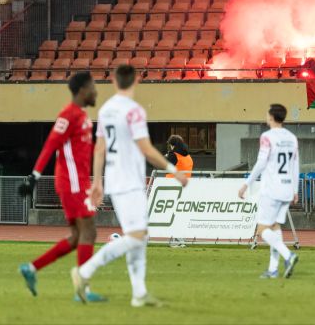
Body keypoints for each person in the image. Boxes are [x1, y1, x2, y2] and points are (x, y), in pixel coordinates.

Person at [72, 65, 189, 306]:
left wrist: (97, 181)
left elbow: (100, 149)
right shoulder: (134, 111)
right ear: (136, 80)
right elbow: (146, 149)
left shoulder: (105, 110)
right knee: (137, 236)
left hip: (115, 181)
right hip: (129, 182)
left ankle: (139, 293)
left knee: (140, 237)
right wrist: (174, 171)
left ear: (114, 80)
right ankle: (84, 272)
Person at [17, 72, 106, 302]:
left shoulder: (84, 117)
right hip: (71, 183)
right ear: (83, 91)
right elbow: (50, 145)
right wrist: (34, 176)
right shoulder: (68, 115)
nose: (96, 91)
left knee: (78, 236)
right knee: (89, 231)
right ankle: (83, 290)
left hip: (80, 183)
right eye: (93, 87)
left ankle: (31, 268)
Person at [238, 104, 300, 279]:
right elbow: (295, 165)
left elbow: (261, 163)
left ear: (271, 117)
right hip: (287, 189)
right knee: (274, 226)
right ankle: (273, 269)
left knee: (261, 230)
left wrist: (246, 183)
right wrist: (295, 189)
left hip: (272, 188)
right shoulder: (292, 138)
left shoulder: (267, 137)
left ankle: (288, 255)